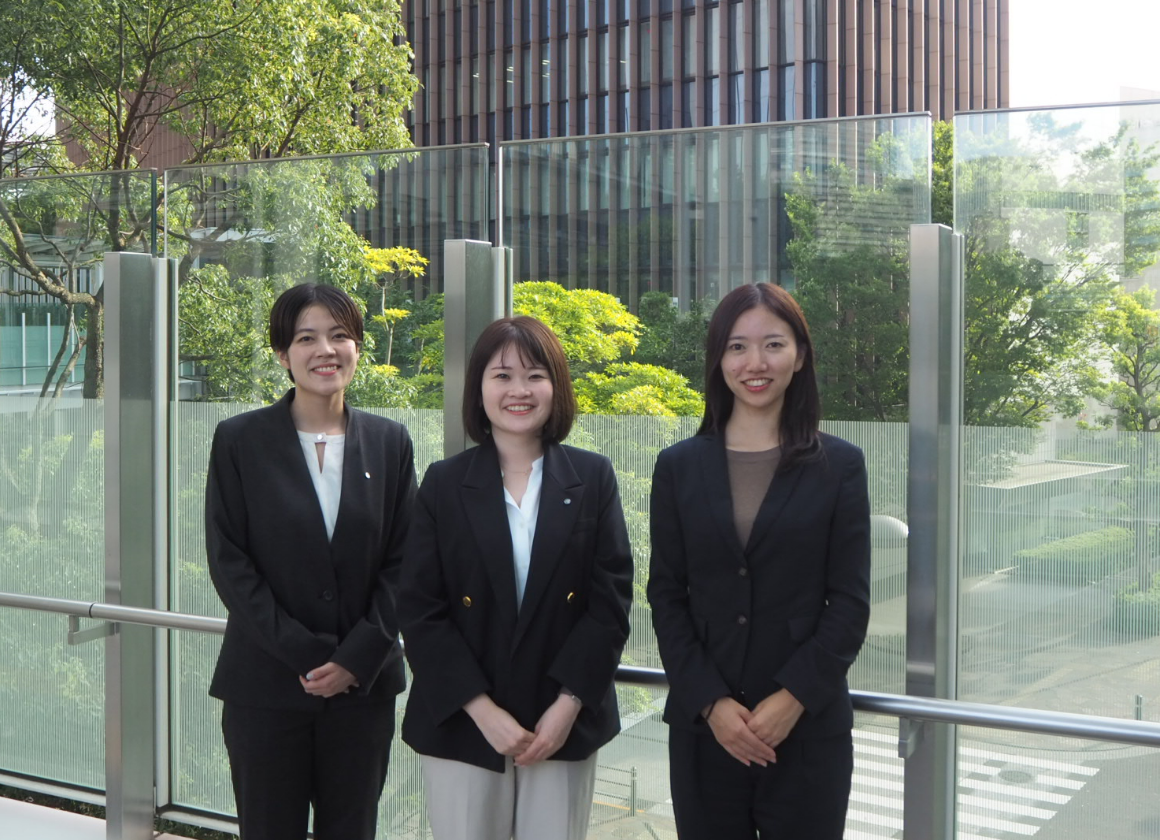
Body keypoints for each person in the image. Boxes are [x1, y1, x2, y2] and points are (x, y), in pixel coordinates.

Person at [647, 282, 871, 840]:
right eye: (737, 346)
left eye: (773, 344)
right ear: (718, 359)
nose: (755, 363)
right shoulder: (677, 466)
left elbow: (849, 601)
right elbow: (667, 595)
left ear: (800, 356)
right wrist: (711, 703)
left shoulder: (839, 465)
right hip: (705, 733)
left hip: (807, 731)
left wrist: (793, 699)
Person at [398, 315, 633, 840]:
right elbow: (419, 607)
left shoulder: (592, 478)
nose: (518, 390)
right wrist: (482, 711)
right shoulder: (444, 483)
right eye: (502, 376)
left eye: (535, 375)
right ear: (479, 388)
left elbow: (611, 601)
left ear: (557, 386)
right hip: (462, 720)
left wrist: (567, 707)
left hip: (562, 721)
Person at [204, 283, 416, 840]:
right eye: (306, 338)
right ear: (283, 354)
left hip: (362, 692)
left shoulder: (391, 442)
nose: (326, 350)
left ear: (357, 348)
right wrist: (309, 654)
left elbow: (405, 562)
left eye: (340, 335)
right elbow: (229, 561)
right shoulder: (239, 440)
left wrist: (355, 658)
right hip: (266, 687)